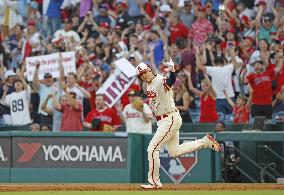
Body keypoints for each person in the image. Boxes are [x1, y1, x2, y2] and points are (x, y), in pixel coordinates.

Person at [137, 59, 221, 189]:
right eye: (141, 75)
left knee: (152, 148)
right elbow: (157, 102)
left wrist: (172, 71)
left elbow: (170, 81)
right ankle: (205, 142)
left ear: (149, 70)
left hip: (169, 119)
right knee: (174, 152)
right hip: (165, 120)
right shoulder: (149, 85)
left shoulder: (159, 80)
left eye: (144, 73)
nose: (143, 76)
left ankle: (154, 182)